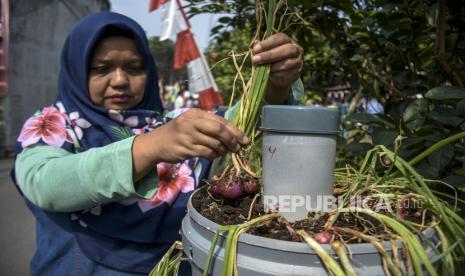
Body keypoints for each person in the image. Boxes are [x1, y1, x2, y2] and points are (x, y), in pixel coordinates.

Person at [11, 12, 303, 276]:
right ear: (77, 71)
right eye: (102, 69)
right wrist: (149, 147)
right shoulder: (54, 124)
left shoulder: (169, 122)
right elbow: (44, 183)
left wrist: (276, 84)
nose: (120, 80)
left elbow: (234, 127)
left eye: (135, 67)